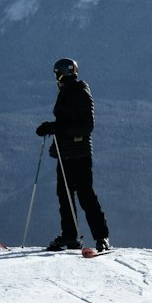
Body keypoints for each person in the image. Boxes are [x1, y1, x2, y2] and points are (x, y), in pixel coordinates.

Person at [35, 56, 111, 252]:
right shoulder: (71, 91)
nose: (56, 78)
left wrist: (55, 128)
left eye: (57, 74)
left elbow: (87, 127)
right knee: (66, 195)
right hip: (67, 152)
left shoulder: (78, 91)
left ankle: (99, 237)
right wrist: (55, 128)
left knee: (85, 196)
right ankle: (72, 236)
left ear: (62, 73)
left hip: (78, 154)